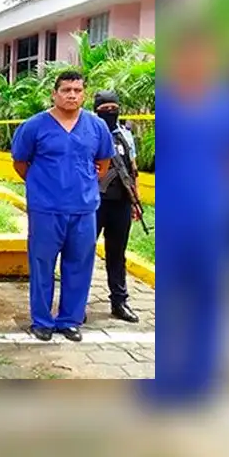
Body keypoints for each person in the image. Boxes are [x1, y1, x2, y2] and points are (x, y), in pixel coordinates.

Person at [11, 70, 114, 343]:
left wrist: (83, 183)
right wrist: (43, 186)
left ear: (84, 94)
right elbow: (20, 163)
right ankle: (42, 321)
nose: (72, 95)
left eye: (77, 91)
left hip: (83, 209)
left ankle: (69, 320)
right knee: (42, 265)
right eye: (66, 90)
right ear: (54, 93)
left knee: (79, 266)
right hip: (46, 209)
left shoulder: (96, 127)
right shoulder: (34, 126)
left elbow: (103, 164)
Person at [92, 90, 140, 323]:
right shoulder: (89, 132)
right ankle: (76, 304)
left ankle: (119, 301)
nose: (110, 113)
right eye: (105, 109)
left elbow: (133, 169)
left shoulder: (125, 135)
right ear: (96, 111)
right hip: (93, 204)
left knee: (117, 254)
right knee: (81, 254)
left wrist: (134, 200)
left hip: (120, 203)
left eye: (114, 108)